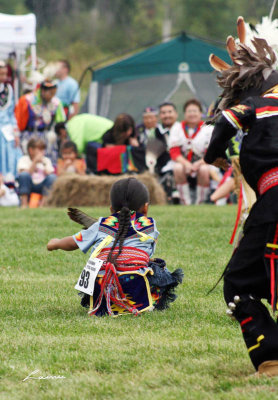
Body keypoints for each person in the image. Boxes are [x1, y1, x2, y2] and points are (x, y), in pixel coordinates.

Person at [204, 16, 278, 376]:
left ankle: (271, 357)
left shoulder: (259, 105)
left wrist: (212, 155)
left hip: (274, 205)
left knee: (239, 283)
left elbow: (227, 121)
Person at [47, 177, 183, 316]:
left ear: (111, 209)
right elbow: (145, 254)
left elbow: (73, 242)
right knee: (158, 267)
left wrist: (55, 243)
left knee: (98, 266)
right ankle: (151, 301)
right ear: (146, 208)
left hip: (103, 286)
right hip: (136, 289)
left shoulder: (102, 224)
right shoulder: (150, 225)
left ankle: (101, 302)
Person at [169, 99, 212, 205]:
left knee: (204, 169)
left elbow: (210, 152)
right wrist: (186, 164)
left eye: (195, 111)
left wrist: (198, 163)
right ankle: (185, 202)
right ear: (184, 114)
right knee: (177, 168)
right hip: (183, 162)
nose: (192, 114)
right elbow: (174, 152)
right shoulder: (177, 127)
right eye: (189, 111)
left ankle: (200, 202)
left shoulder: (208, 129)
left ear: (201, 113)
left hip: (203, 162)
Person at [15, 80, 66, 165]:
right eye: (50, 93)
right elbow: (18, 120)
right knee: (28, 160)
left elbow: (61, 122)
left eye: (54, 94)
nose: (52, 96)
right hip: (29, 135)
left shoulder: (56, 102)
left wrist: (62, 135)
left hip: (47, 137)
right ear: (42, 91)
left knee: (47, 161)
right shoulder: (27, 100)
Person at [17, 138, 56, 208]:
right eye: (40, 149)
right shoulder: (24, 159)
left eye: (43, 149)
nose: (42, 152)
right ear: (31, 150)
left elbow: (51, 175)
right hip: (29, 185)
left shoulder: (46, 160)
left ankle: (43, 205)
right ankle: (24, 204)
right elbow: (24, 174)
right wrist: (35, 162)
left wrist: (44, 164)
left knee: (52, 177)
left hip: (42, 186)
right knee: (24, 175)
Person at [0, 60, 22, 178]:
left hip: (6, 131)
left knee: (10, 159)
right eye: (1, 74)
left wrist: (15, 132)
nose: (4, 77)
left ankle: (10, 184)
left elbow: (11, 113)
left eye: (5, 74)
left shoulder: (8, 89)